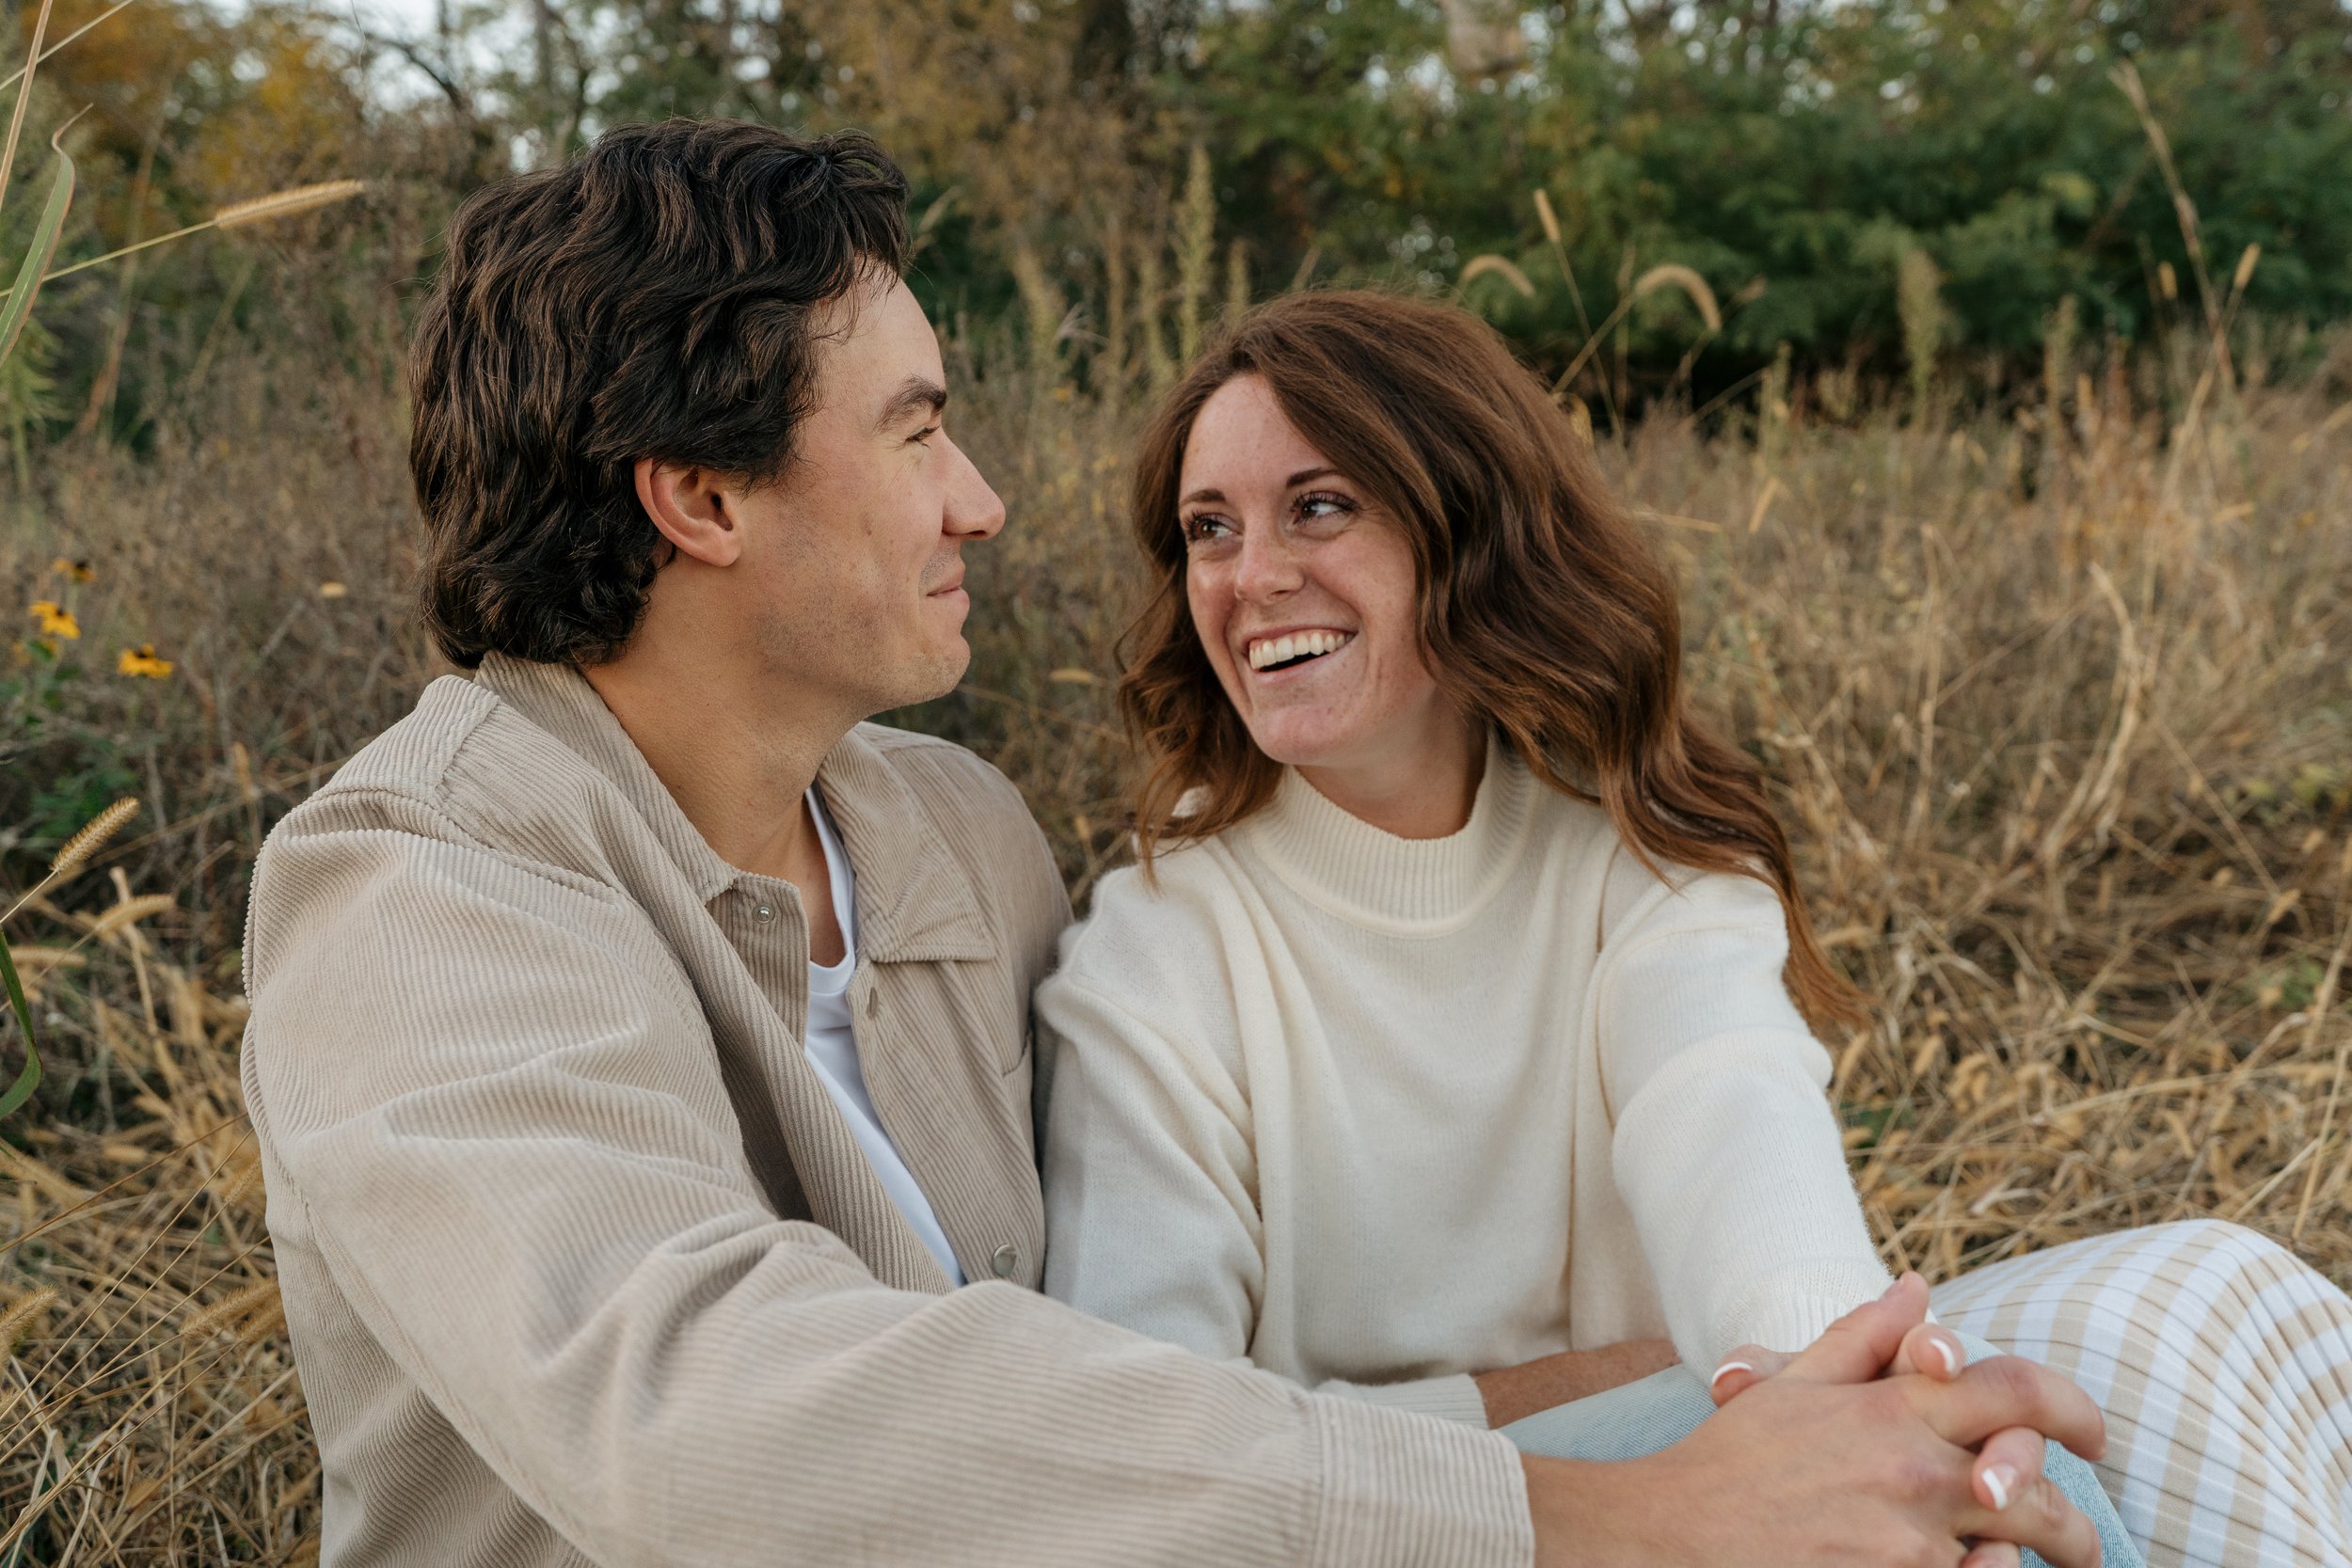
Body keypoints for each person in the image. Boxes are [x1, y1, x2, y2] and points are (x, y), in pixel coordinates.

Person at [242, 119, 2115, 1568]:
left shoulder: (951, 836)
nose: (979, 502)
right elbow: (697, 1413)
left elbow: (1121, 1385)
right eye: (912, 436)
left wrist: (1761, 1417)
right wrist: (1612, 1511)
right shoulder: (420, 888)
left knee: (2120, 1365)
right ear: (699, 495)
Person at [1035, 287, 2352, 1568]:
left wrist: (1844, 1407)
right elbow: (1151, 1459)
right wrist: (1593, 1391)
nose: (1253, 576)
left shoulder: (1638, 857)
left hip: (1708, 1480)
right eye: (1209, 529)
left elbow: (1739, 1134)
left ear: (1467, 529)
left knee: (2039, 1412)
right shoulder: (1159, 955)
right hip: (1390, 1534)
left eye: (1318, 506)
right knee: (1997, 1454)